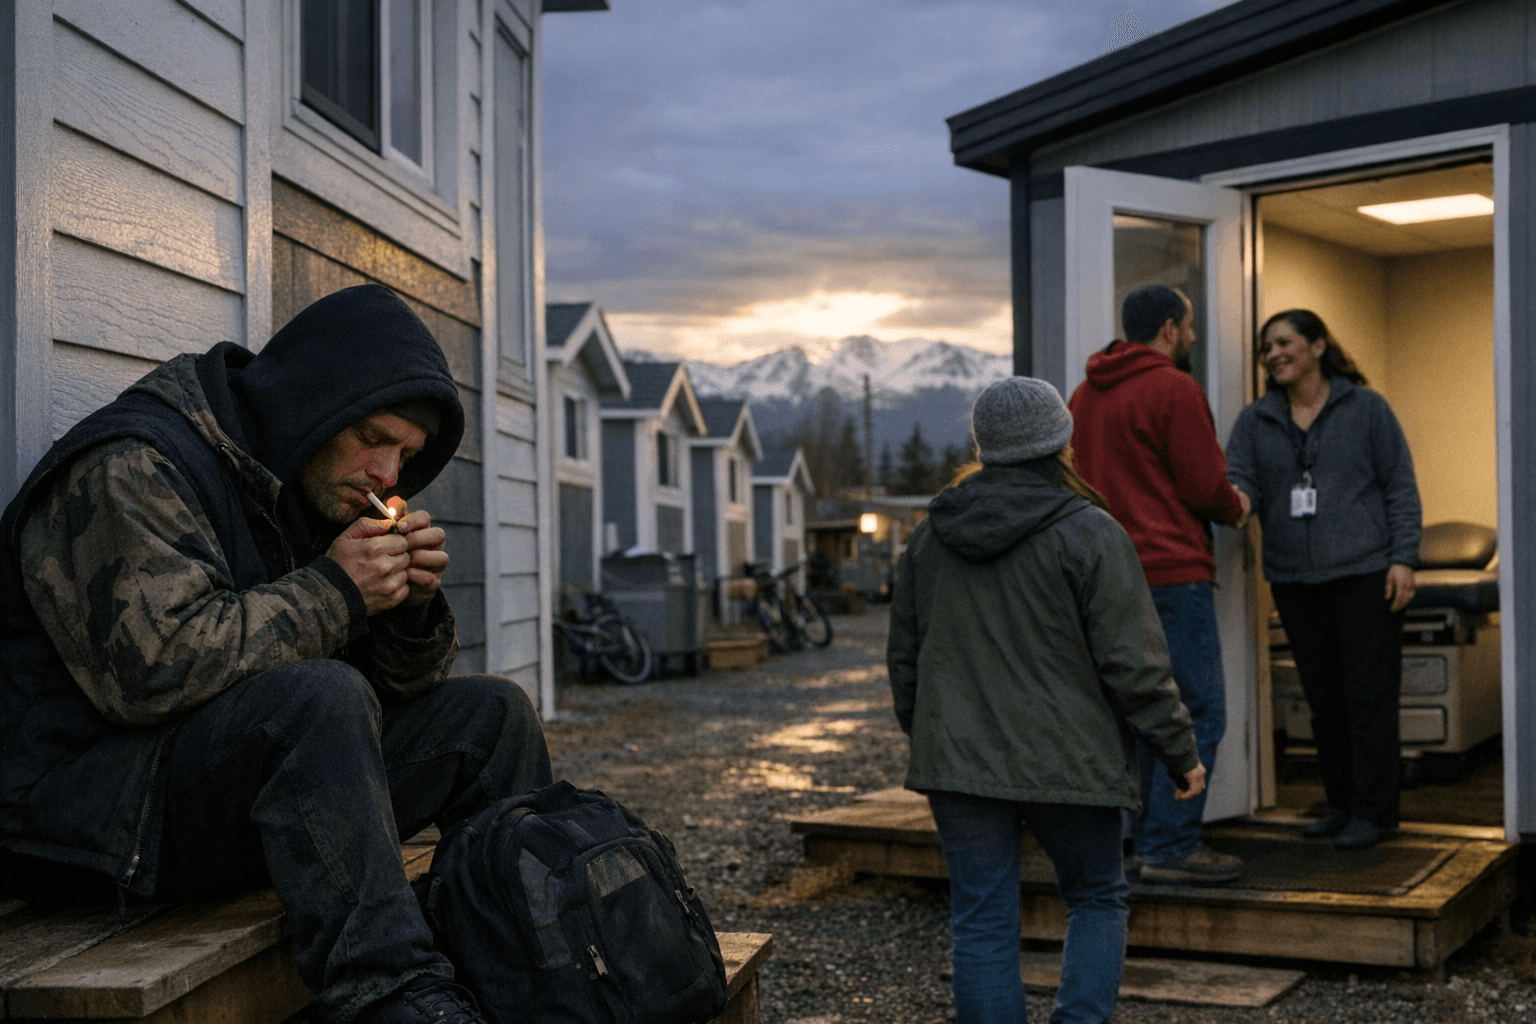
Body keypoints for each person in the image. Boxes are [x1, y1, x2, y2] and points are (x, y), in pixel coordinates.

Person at [0, 284, 553, 1024]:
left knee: (492, 718)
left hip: (210, 792)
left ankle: (531, 973)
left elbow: (401, 688)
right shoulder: (131, 464)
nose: (389, 476)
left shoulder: (304, 480)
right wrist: (338, 590)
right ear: (313, 404)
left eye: (406, 456)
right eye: (374, 439)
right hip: (82, 824)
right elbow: (153, 674)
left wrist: (407, 609)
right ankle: (396, 1000)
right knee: (319, 698)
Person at [888, 376, 1204, 1024]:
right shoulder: (1091, 531)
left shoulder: (931, 534)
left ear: (984, 444)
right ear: (1063, 441)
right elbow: (1135, 667)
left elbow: (906, 660)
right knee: (1095, 897)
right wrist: (1181, 753)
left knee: (981, 918)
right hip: (1071, 761)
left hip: (961, 762)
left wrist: (931, 734)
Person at [1067, 284, 1250, 886]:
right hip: (1170, 576)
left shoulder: (1083, 399)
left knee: (1128, 712)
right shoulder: (1174, 388)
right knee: (1194, 709)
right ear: (1169, 329)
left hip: (1102, 581)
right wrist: (1238, 505)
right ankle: (1172, 845)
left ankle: (1132, 841)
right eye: (1191, 327)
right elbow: (1203, 486)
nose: (1195, 338)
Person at [1227, 309, 1421, 851]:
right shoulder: (1256, 420)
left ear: (1316, 346)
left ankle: (1377, 812)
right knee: (1324, 698)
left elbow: (1399, 486)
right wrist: (1232, 502)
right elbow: (1239, 480)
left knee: (1368, 697)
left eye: (1284, 342)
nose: (1273, 354)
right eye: (1266, 347)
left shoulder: (1366, 408)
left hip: (1365, 573)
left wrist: (1404, 558)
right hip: (1295, 581)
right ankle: (1341, 803)